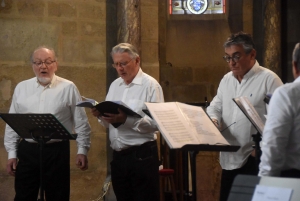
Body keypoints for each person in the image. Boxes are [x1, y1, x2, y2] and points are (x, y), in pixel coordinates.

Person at [4, 46, 91, 201]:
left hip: (56, 151)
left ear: (55, 64)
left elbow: (81, 122)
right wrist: (11, 154)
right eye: (38, 62)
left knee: (57, 196)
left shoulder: (68, 87)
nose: (43, 66)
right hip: (28, 150)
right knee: (24, 195)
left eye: (48, 62)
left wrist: (82, 150)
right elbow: (12, 123)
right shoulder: (22, 87)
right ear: (32, 66)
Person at [206, 31, 283, 201]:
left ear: (252, 54)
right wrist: (214, 120)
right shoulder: (226, 80)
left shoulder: (269, 80)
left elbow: (280, 122)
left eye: (236, 56)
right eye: (227, 58)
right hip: (229, 156)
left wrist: (260, 149)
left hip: (253, 159)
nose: (231, 63)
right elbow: (215, 106)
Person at [91, 43, 164, 201]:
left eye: (123, 63)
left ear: (137, 60)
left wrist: (126, 120)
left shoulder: (151, 85)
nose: (119, 68)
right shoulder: (115, 85)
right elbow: (108, 123)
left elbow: (157, 124)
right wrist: (100, 115)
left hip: (142, 156)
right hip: (119, 157)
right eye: (116, 64)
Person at [259, 43, 300, 178]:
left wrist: (264, 187)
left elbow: (273, 147)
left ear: (294, 66)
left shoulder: (288, 94)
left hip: (293, 180)